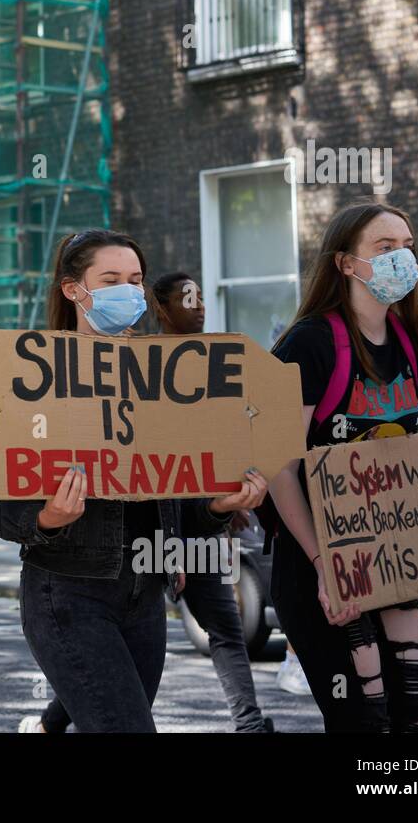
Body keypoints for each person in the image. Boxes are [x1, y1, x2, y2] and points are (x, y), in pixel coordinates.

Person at [0, 229, 267, 732]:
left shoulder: (163, 376)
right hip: (68, 593)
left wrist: (220, 505)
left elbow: (181, 495)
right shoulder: (33, 376)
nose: (129, 292)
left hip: (145, 595)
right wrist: (47, 517)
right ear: (73, 290)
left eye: (136, 280)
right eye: (111, 279)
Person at [265, 202, 418, 733]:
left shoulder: (410, 344)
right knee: (361, 723)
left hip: (392, 564)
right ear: (346, 264)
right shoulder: (309, 344)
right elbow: (279, 467)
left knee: (414, 722)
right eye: (386, 248)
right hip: (317, 566)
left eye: (408, 246)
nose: (404, 258)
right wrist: (324, 562)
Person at [151, 272, 273, 732]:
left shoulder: (212, 366)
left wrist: (225, 501)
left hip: (203, 525)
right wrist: (174, 541)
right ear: (161, 309)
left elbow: (212, 446)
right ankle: (57, 719)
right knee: (131, 637)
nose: (198, 305)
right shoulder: (139, 367)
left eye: (200, 296)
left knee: (226, 628)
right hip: (152, 526)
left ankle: (249, 723)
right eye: (186, 298)